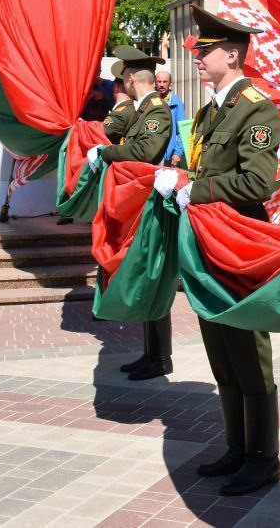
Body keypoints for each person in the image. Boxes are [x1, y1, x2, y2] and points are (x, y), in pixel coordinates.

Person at [154, 4, 280, 497]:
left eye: (205, 52)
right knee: (220, 349)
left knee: (249, 350)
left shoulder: (257, 108)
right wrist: (181, 181)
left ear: (232, 54)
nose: (199, 59)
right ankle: (236, 447)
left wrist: (198, 192)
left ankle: (263, 458)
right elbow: (205, 170)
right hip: (209, 242)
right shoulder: (209, 112)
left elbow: (257, 181)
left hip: (238, 244)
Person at [87, 45, 175, 380]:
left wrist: (107, 153)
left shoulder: (156, 111)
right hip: (137, 201)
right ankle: (152, 353)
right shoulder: (139, 110)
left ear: (131, 78)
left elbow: (145, 149)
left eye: (124, 79)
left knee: (152, 277)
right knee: (144, 276)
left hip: (149, 201)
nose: (121, 85)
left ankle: (160, 357)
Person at [156, 68, 187, 168]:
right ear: (155, 83)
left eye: (165, 82)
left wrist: (178, 152)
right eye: (159, 81)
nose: (161, 84)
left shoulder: (177, 103)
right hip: (150, 150)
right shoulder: (150, 99)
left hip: (166, 154)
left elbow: (182, 130)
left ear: (170, 83)